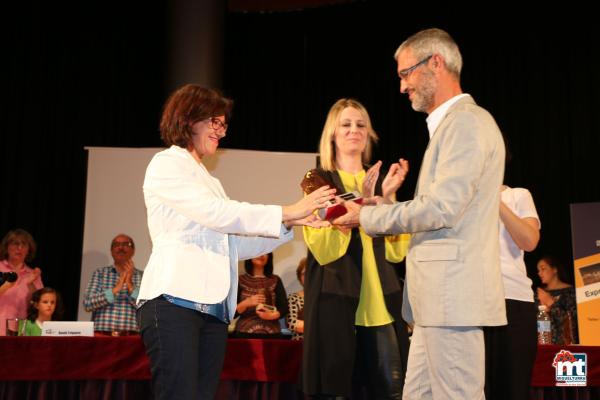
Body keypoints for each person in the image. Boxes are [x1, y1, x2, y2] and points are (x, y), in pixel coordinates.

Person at [333, 28, 507, 400]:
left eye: (405, 74)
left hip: (452, 299)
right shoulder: (451, 127)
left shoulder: (466, 123)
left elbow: (442, 209)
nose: (402, 87)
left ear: (436, 63)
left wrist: (365, 218)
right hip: (437, 304)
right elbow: (442, 210)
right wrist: (383, 207)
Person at [136, 84, 335, 400]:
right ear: (189, 119)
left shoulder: (211, 181)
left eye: (223, 124)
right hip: (173, 303)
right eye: (215, 122)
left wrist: (291, 221)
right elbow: (217, 214)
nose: (222, 132)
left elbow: (233, 244)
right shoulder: (167, 163)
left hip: (213, 312)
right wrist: (287, 210)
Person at [302, 98, 411, 399]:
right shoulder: (317, 180)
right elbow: (325, 250)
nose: (354, 130)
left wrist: (388, 199)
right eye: (346, 124)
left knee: (393, 391)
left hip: (382, 306)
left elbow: (396, 252)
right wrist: (364, 203)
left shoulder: (379, 183)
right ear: (332, 134)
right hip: (336, 302)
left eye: (361, 124)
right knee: (335, 390)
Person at [484, 185, 540, 400]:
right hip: (471, 302)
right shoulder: (460, 197)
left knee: (513, 388)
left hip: (512, 298)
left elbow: (529, 240)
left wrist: (494, 199)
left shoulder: (518, 195)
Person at [83, 234, 143, 335]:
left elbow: (146, 306)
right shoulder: (100, 273)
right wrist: (114, 290)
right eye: (116, 244)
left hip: (132, 337)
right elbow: (87, 304)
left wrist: (130, 285)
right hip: (101, 336)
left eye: (125, 244)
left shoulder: (143, 276)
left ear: (133, 251)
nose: (120, 247)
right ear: (111, 251)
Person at [0, 229, 43, 336]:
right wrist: (6, 286)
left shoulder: (33, 274)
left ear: (29, 250)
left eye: (24, 245)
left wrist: (31, 284)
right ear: (7, 247)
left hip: (22, 332)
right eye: (15, 244)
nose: (19, 248)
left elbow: (40, 304)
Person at [235, 253, 288, 336]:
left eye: (266, 253)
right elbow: (232, 313)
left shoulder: (276, 280)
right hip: (244, 334)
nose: (262, 255)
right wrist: (247, 302)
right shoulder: (240, 280)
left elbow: (284, 308)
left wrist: (273, 315)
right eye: (258, 252)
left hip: (273, 335)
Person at [536, 255, 579, 344]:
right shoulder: (539, 294)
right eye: (538, 270)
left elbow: (572, 324)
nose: (539, 273)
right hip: (542, 347)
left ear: (554, 269)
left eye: (543, 269)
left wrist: (551, 303)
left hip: (565, 348)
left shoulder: (570, 292)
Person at [287, 257, 306, 340]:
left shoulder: (324, 299)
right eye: (304, 273)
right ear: (299, 276)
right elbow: (292, 324)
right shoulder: (293, 298)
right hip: (299, 344)